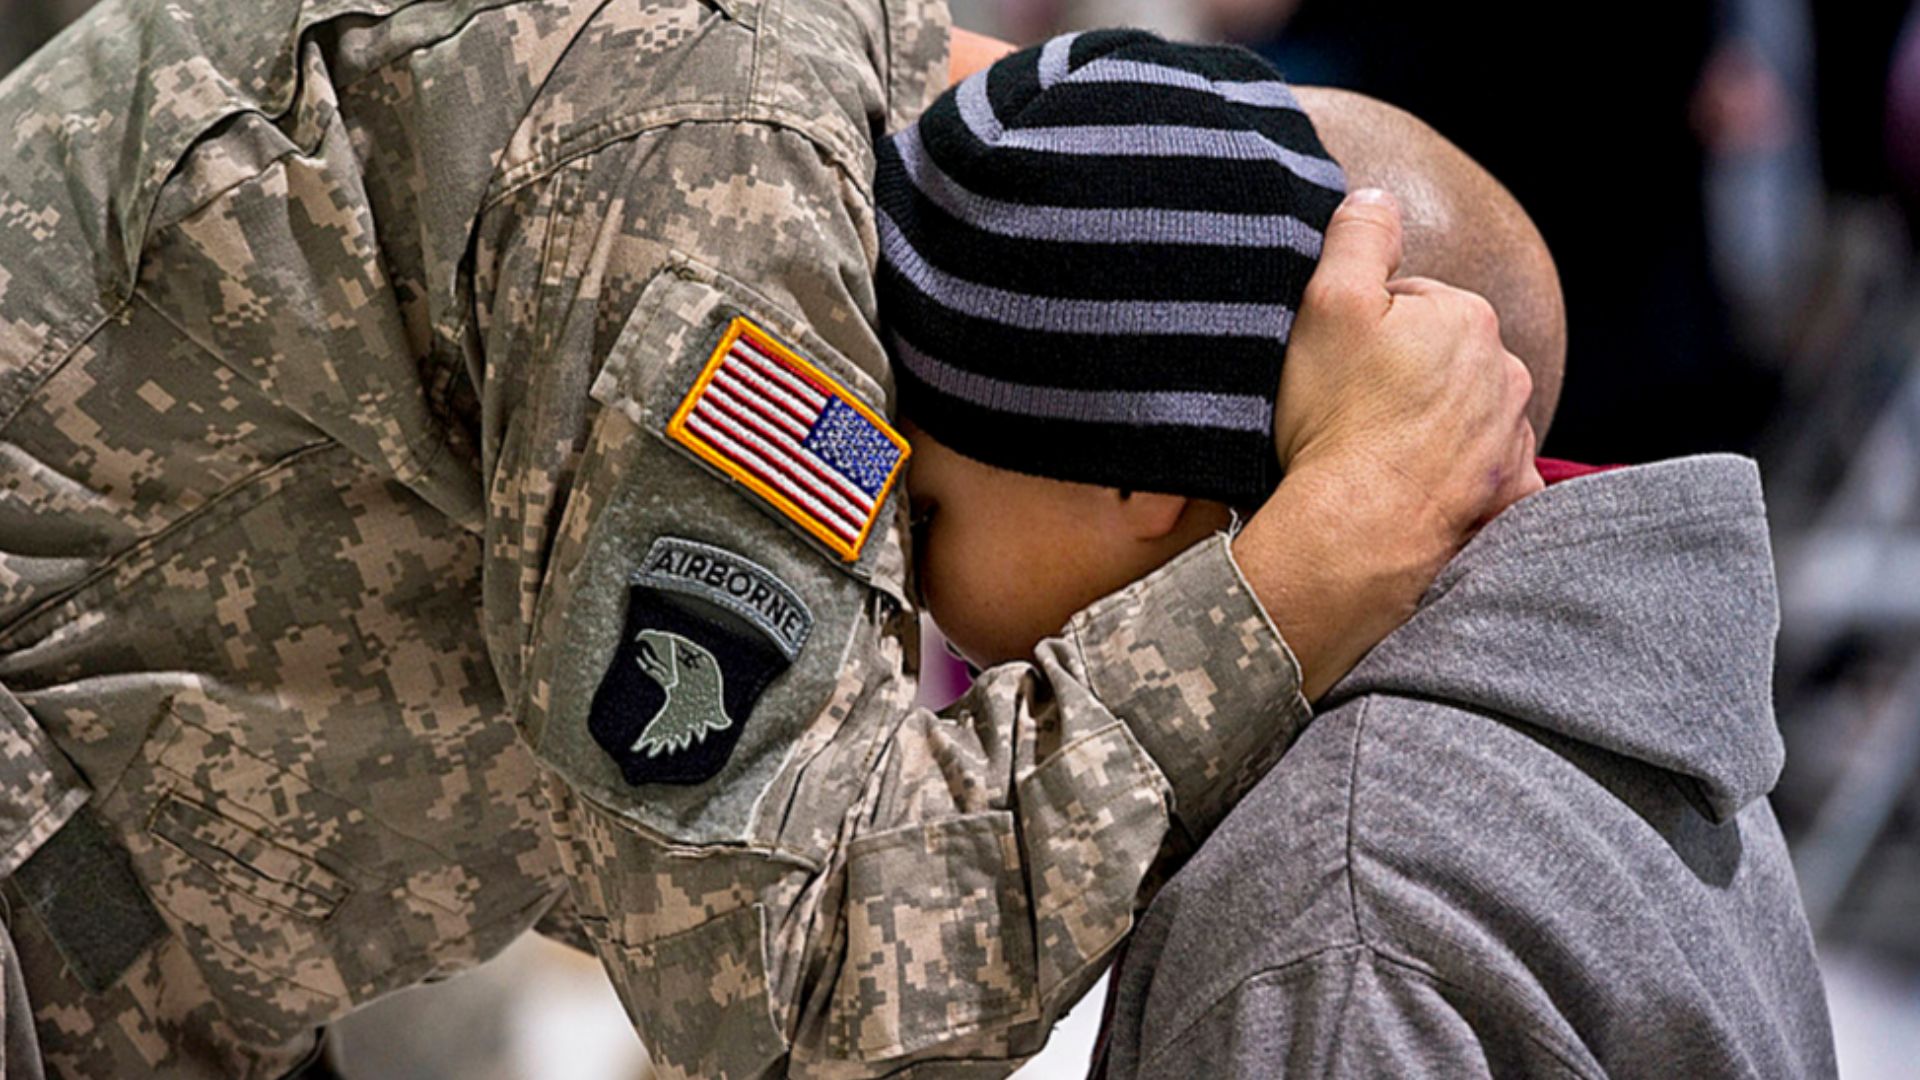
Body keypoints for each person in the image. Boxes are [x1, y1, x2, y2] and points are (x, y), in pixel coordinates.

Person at [0, 6, 1537, 1080]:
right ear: (1165, 498)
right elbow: (790, 1004)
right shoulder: (711, 176)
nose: (927, 602)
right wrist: (1298, 582)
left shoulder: (788, 132)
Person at [875, 31, 1837, 1078]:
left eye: (928, 512)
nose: (910, 581)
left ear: (1136, 480)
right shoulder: (1605, 714)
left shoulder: (1330, 912)